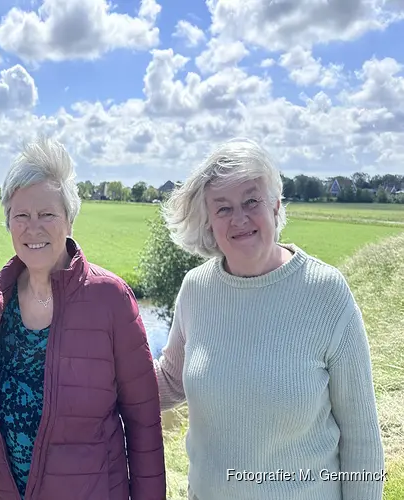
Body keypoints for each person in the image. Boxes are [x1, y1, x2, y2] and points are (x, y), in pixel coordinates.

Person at [155, 138, 385, 500]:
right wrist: (86, 381)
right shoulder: (196, 289)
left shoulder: (326, 292)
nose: (240, 218)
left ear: (276, 207)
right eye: (223, 208)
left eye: (251, 201)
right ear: (209, 222)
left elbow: (363, 441)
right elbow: (171, 381)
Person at [0, 137, 167, 500]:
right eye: (21, 215)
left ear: (70, 220)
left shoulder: (111, 299)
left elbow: (143, 424)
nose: (33, 228)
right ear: (8, 222)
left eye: (47, 214)